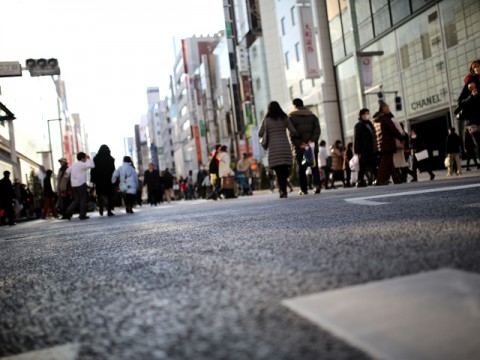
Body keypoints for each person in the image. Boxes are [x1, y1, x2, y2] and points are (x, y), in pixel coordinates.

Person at [258, 101, 298, 198]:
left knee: (278, 171)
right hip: (284, 146)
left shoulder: (266, 119)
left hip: (273, 149)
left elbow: (260, 133)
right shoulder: (284, 118)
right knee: (284, 170)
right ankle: (284, 189)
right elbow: (293, 131)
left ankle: (282, 190)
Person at [288, 98, 321, 195]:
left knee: (301, 169)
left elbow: (292, 133)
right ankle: (317, 185)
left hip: (300, 148)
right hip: (311, 147)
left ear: (294, 105)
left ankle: (304, 189)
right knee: (314, 167)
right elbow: (317, 131)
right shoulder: (312, 116)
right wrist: (312, 141)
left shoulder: (291, 117)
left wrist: (300, 144)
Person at [372, 103, 403, 186]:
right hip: (387, 143)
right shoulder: (385, 118)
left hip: (382, 144)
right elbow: (393, 129)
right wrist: (401, 138)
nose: (389, 108)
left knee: (389, 162)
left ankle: (396, 179)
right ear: (383, 108)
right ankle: (379, 180)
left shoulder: (377, 120)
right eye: (387, 107)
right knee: (385, 162)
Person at [62, 152, 95, 220]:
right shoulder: (82, 164)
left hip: (73, 185)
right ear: (82, 158)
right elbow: (92, 166)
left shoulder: (74, 164)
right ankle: (82, 215)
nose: (86, 159)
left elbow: (67, 172)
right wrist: (89, 159)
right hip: (81, 184)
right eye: (85, 158)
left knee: (76, 200)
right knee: (83, 199)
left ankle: (68, 211)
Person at [354, 108, 376, 187]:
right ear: (362, 115)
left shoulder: (369, 124)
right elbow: (357, 138)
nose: (368, 115)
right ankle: (360, 180)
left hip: (370, 148)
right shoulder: (359, 125)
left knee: (373, 164)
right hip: (363, 149)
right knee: (362, 165)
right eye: (366, 113)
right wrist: (357, 151)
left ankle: (373, 179)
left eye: (368, 113)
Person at [91, 144, 116, 216]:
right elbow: (113, 170)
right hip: (109, 179)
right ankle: (109, 210)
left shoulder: (96, 159)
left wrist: (93, 179)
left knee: (100, 195)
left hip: (99, 180)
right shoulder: (111, 159)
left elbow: (93, 170)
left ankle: (101, 208)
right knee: (109, 195)